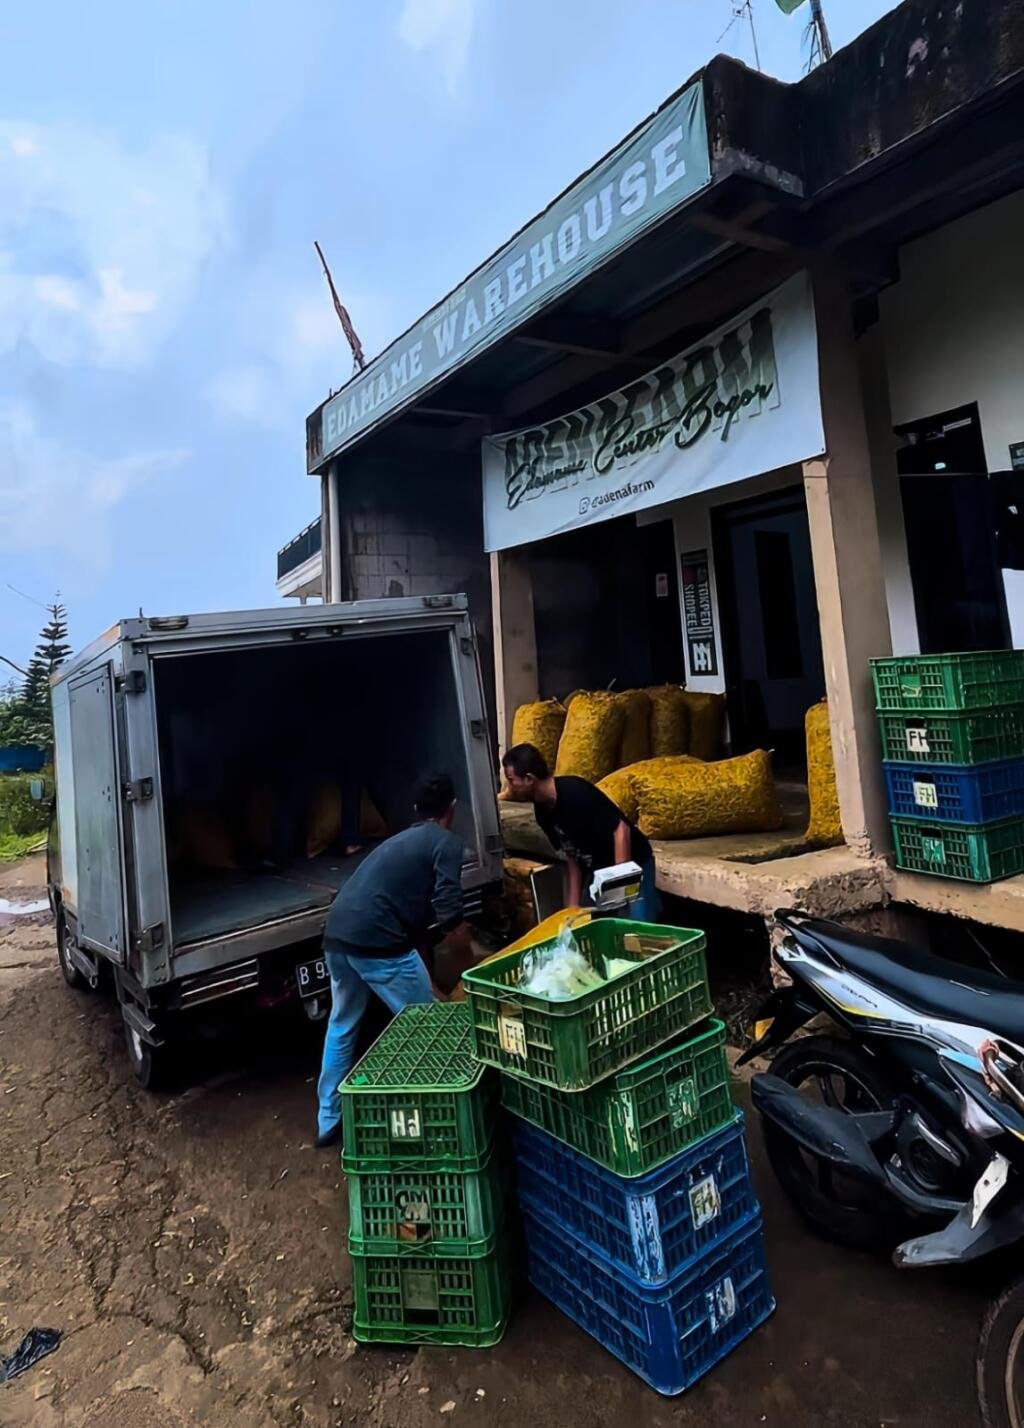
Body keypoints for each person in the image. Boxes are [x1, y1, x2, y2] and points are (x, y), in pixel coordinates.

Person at [315, 770, 472, 1148]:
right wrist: (471, 970)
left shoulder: (400, 841)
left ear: (417, 809)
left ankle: (328, 1118)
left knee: (342, 1024)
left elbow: (415, 925)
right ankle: (440, 1121)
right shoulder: (445, 844)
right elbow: (450, 914)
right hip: (377, 942)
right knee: (428, 1029)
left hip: (337, 935)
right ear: (452, 808)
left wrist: (429, 979)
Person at [502, 742, 661, 922]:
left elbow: (621, 829)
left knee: (637, 928)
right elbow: (571, 859)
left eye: (511, 780)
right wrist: (572, 911)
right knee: (586, 922)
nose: (510, 787)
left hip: (633, 863)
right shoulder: (543, 813)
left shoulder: (575, 792)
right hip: (599, 870)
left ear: (529, 779)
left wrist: (620, 886)